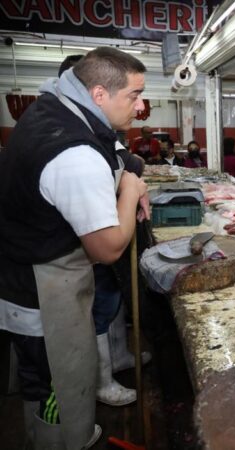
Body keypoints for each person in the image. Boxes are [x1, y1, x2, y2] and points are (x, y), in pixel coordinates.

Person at [0, 47, 149, 449]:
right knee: (59, 389)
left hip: (21, 274)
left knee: (40, 382)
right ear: (99, 94)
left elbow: (111, 152)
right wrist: (130, 192)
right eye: (133, 96)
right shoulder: (74, 154)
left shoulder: (55, 106)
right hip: (44, 297)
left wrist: (124, 175)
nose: (140, 105)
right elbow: (107, 249)